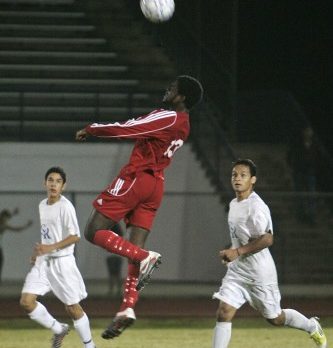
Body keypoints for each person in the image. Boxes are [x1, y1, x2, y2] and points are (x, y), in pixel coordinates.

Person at [75, 75, 203, 339]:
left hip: (137, 178)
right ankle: (127, 308)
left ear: (182, 97)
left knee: (92, 230)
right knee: (135, 250)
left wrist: (93, 128)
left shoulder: (168, 116)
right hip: (155, 186)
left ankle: (146, 258)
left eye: (173, 88)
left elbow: (129, 127)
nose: (167, 89)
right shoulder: (185, 124)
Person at [212, 159, 327, 348]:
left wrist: (238, 251)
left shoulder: (257, 207)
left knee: (275, 318)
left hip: (260, 274)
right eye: (234, 175)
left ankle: (311, 325)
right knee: (224, 311)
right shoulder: (234, 203)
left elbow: (267, 239)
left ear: (253, 180)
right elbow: (242, 238)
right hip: (238, 271)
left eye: (243, 175)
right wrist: (231, 252)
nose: (237, 179)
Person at [19, 167, 96, 348]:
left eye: (58, 181)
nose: (54, 184)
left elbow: (75, 236)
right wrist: (38, 251)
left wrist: (50, 248)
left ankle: (90, 346)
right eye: (50, 180)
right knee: (27, 302)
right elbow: (48, 235)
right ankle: (59, 329)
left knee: (72, 308)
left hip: (62, 263)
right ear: (44, 183)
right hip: (43, 262)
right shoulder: (42, 205)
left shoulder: (66, 206)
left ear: (63, 186)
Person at [286, 125, 326, 225]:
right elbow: (290, 155)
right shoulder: (298, 144)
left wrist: (315, 168)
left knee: (311, 195)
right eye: (307, 131)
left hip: (310, 173)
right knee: (299, 193)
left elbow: (318, 158)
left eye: (310, 131)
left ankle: (311, 215)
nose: (308, 133)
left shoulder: (314, 145)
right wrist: (293, 166)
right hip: (299, 172)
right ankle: (300, 214)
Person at [0, 207, 32, 283]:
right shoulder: (4, 226)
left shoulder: (3, 223)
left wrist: (13, 213)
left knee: (1, 260)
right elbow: (17, 229)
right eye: (5, 219)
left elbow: (6, 217)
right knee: (1, 259)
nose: (6, 221)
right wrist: (27, 225)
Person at [105, 223, 124, 297]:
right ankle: (119, 290)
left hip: (110, 256)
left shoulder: (108, 236)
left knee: (111, 274)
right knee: (118, 274)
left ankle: (111, 290)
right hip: (118, 256)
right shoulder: (120, 237)